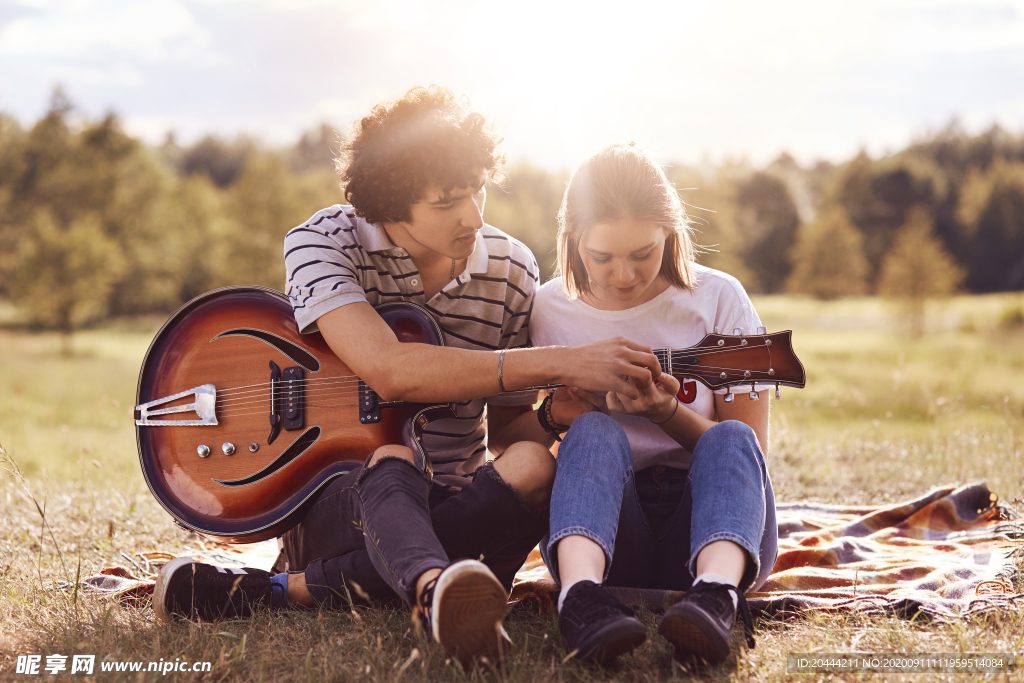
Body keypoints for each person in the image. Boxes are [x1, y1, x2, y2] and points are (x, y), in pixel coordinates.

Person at [151, 87, 661, 669]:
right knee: (390, 456)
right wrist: (561, 361)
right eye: (447, 202)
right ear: (389, 206)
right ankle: (429, 591)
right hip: (340, 500)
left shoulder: (512, 268)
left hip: (465, 509)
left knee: (539, 465)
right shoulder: (324, 242)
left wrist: (551, 415)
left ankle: (306, 592)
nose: (474, 215)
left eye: (477, 189)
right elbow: (390, 371)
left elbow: (506, 434)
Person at [527, 144, 778, 666]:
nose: (624, 275)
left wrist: (662, 413)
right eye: (602, 258)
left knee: (732, 437)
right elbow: (511, 440)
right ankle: (579, 600)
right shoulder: (548, 309)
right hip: (607, 531)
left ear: (671, 231)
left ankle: (715, 598)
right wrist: (559, 416)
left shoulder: (720, 298)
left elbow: (749, 456)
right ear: (573, 240)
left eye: (643, 254)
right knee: (595, 432)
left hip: (714, 525)